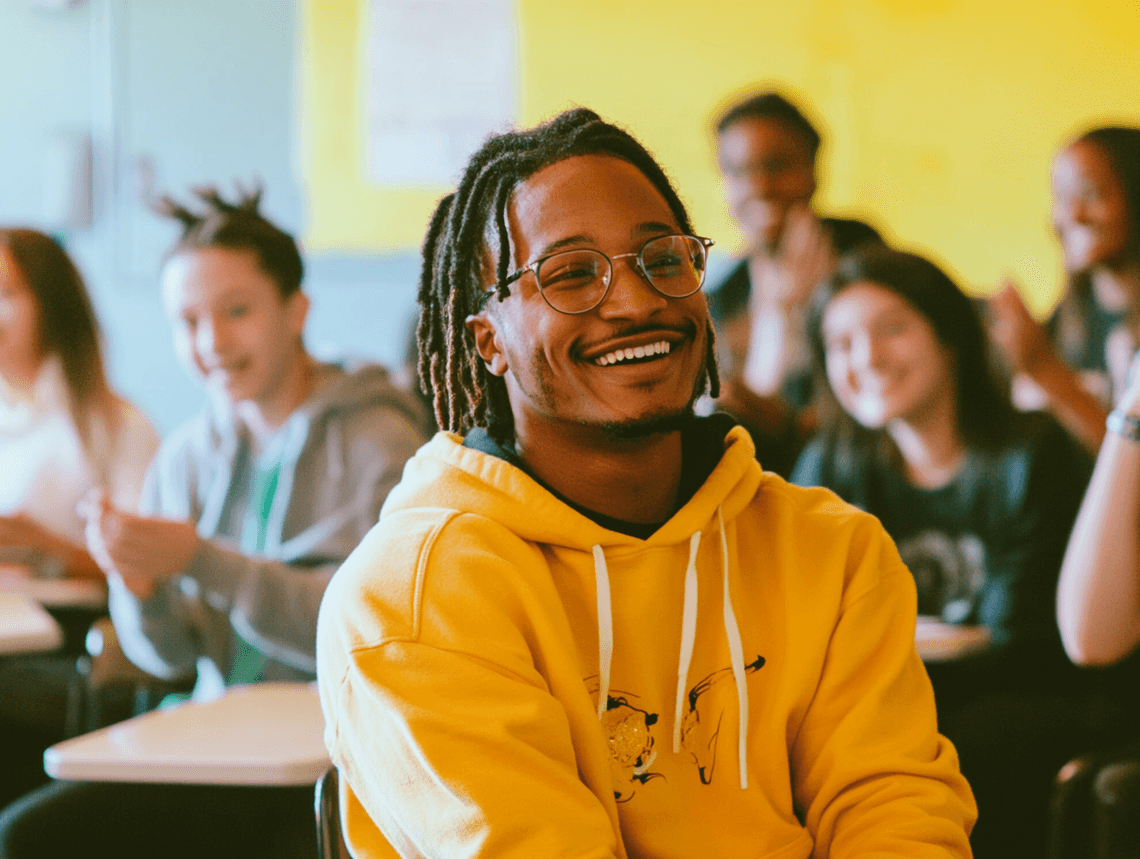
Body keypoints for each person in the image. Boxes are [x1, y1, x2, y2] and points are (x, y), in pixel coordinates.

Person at [317, 108, 975, 859]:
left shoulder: (832, 549)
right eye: (570, 274)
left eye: (663, 259)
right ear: (487, 340)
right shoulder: (409, 597)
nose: (635, 302)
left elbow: (894, 811)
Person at [0, 187, 427, 859]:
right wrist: (139, 586)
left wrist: (202, 558)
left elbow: (367, 633)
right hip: (213, 743)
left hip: (342, 761)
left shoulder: (377, 437)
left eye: (236, 311)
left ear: (296, 309)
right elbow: (166, 657)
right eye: (188, 320)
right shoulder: (188, 456)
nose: (213, 341)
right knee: (28, 835)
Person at [791, 246, 1093, 858]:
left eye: (893, 329)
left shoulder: (1031, 457)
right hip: (884, 701)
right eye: (841, 343)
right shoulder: (830, 467)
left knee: (955, 739)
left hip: (1014, 704)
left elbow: (1021, 639)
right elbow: (804, 626)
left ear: (950, 337)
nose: (867, 358)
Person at [0, 228, 159, 807]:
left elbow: (149, 571)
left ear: (52, 305)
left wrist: (42, 544)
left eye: (8, 294)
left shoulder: (114, 425)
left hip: (71, 640)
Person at [707, 91, 883, 475]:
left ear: (813, 170)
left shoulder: (861, 255)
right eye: (738, 172)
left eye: (777, 166)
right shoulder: (724, 290)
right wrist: (776, 318)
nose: (759, 186)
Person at [989, 126, 1140, 454]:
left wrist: (1045, 372)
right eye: (1061, 197)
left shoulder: (1044, 354)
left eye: (1091, 194)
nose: (1071, 214)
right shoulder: (1063, 324)